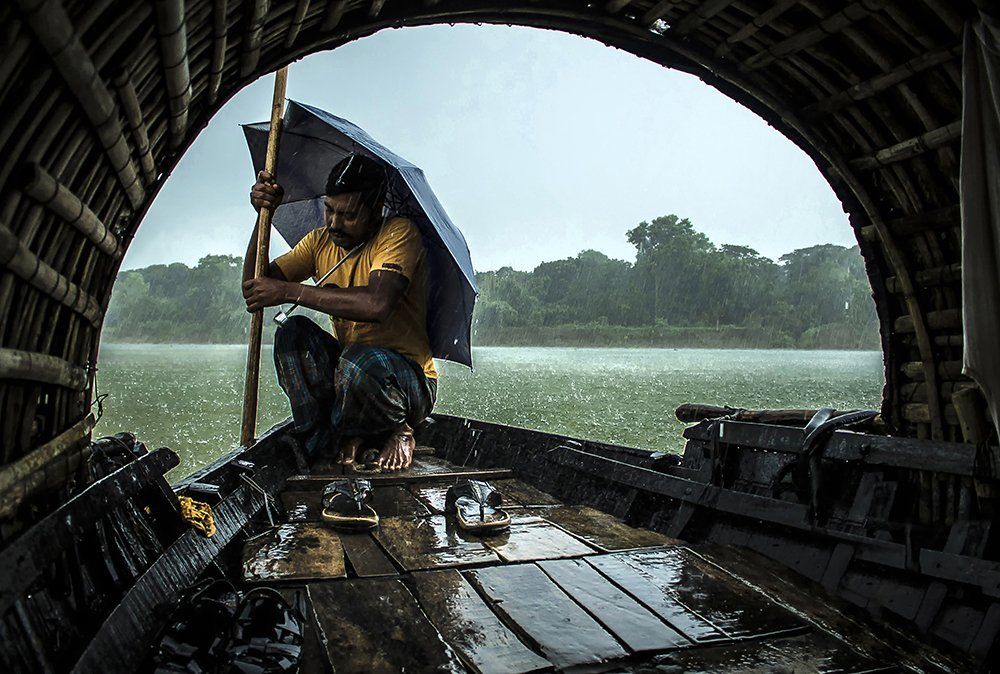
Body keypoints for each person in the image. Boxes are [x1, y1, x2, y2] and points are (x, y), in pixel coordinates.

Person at [242, 154, 436, 471]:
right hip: (350, 378)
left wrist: (292, 291)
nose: (334, 223)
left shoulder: (398, 233)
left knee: (360, 361)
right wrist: (263, 215)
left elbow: (377, 304)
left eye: (348, 215)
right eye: (329, 210)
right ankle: (325, 445)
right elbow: (254, 286)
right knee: (292, 335)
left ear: (376, 211)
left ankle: (400, 427)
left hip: (406, 381)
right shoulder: (319, 242)